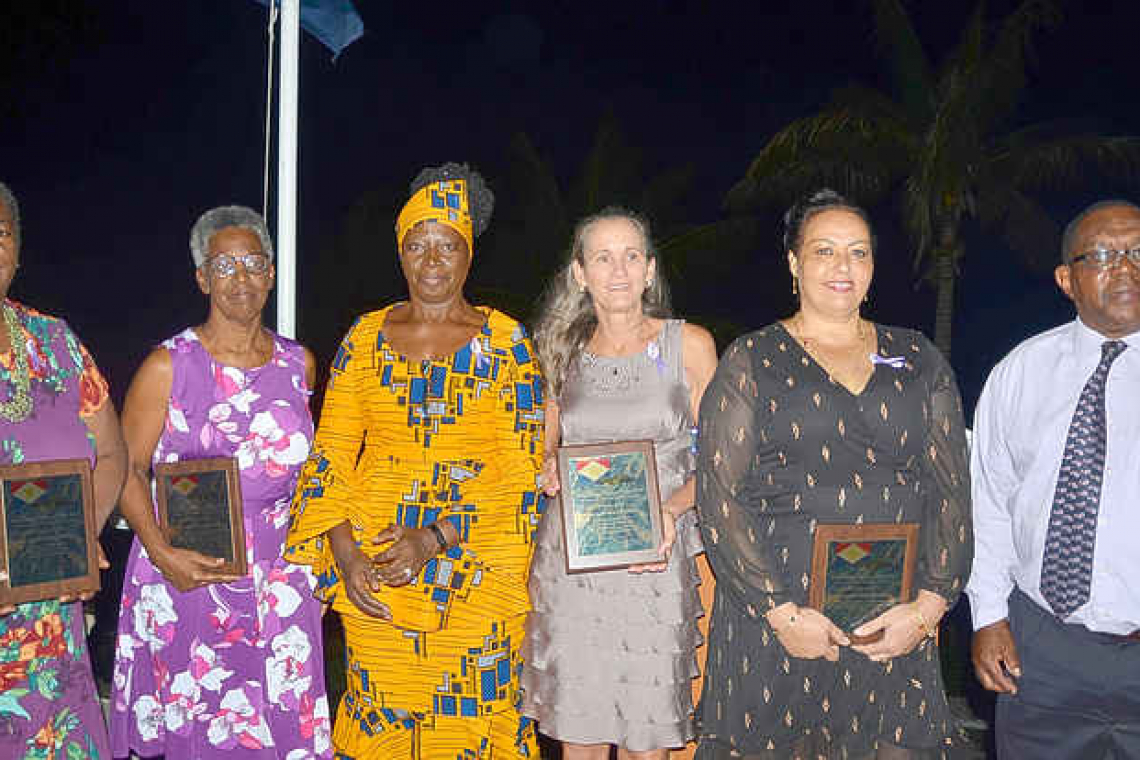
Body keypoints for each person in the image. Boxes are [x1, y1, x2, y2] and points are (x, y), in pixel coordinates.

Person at [694, 189, 973, 760]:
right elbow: (720, 496)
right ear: (794, 264)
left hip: (891, 624)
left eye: (858, 252)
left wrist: (928, 610)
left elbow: (952, 490)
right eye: (824, 251)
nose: (843, 267)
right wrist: (780, 611)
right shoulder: (753, 359)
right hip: (779, 620)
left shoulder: (917, 358)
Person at [285, 163, 545, 759]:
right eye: (417, 244)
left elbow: (521, 470)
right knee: (384, 722)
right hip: (377, 573)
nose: (432, 260)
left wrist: (434, 538)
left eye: (447, 244)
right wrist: (346, 558)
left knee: (475, 724)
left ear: (469, 253)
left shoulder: (507, 344)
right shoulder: (364, 336)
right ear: (399, 253)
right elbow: (330, 454)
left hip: (472, 569)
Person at [109, 206, 330, 758]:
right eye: (224, 265)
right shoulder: (168, 365)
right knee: (201, 729)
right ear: (203, 278)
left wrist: (320, 565)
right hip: (189, 574)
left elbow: (313, 480)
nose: (241, 277)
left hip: (279, 581)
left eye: (253, 262)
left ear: (272, 273)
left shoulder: (298, 364)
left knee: (278, 733)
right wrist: (163, 553)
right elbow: (125, 469)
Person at [521, 208, 718, 759]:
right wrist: (545, 471)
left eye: (632, 255)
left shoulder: (691, 345)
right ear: (580, 274)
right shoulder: (557, 353)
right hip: (576, 568)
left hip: (655, 562)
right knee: (579, 736)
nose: (619, 270)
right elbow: (544, 448)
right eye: (602, 257)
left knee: (646, 738)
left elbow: (724, 461)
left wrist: (672, 511)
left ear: (650, 269)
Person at [967, 200, 1140, 758]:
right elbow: (989, 499)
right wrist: (988, 615)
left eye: (1139, 252)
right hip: (1043, 651)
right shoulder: (1021, 370)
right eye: (1105, 256)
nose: (1127, 268)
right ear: (1068, 279)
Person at [0, 181, 128, 759]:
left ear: (18, 250)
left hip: (52, 641)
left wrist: (81, 528)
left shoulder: (56, 344)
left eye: (0, 234)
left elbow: (113, 453)